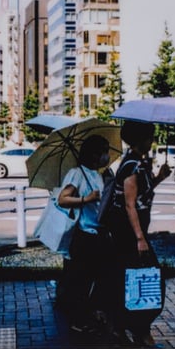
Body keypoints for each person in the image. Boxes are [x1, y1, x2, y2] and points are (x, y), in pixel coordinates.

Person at [102, 120, 172, 347]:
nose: (152, 141)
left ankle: (124, 327)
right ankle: (140, 330)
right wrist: (140, 238)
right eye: (150, 137)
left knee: (132, 279)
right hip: (128, 233)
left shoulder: (137, 162)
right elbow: (130, 204)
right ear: (141, 139)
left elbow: (142, 194)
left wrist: (159, 178)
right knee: (145, 279)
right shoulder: (132, 165)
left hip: (131, 232)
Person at [55, 135, 113, 334]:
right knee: (81, 280)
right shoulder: (77, 173)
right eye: (104, 151)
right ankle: (77, 320)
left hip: (100, 234)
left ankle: (92, 312)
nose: (107, 155)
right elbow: (62, 199)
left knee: (102, 277)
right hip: (84, 235)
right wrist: (85, 199)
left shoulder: (100, 174)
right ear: (95, 154)